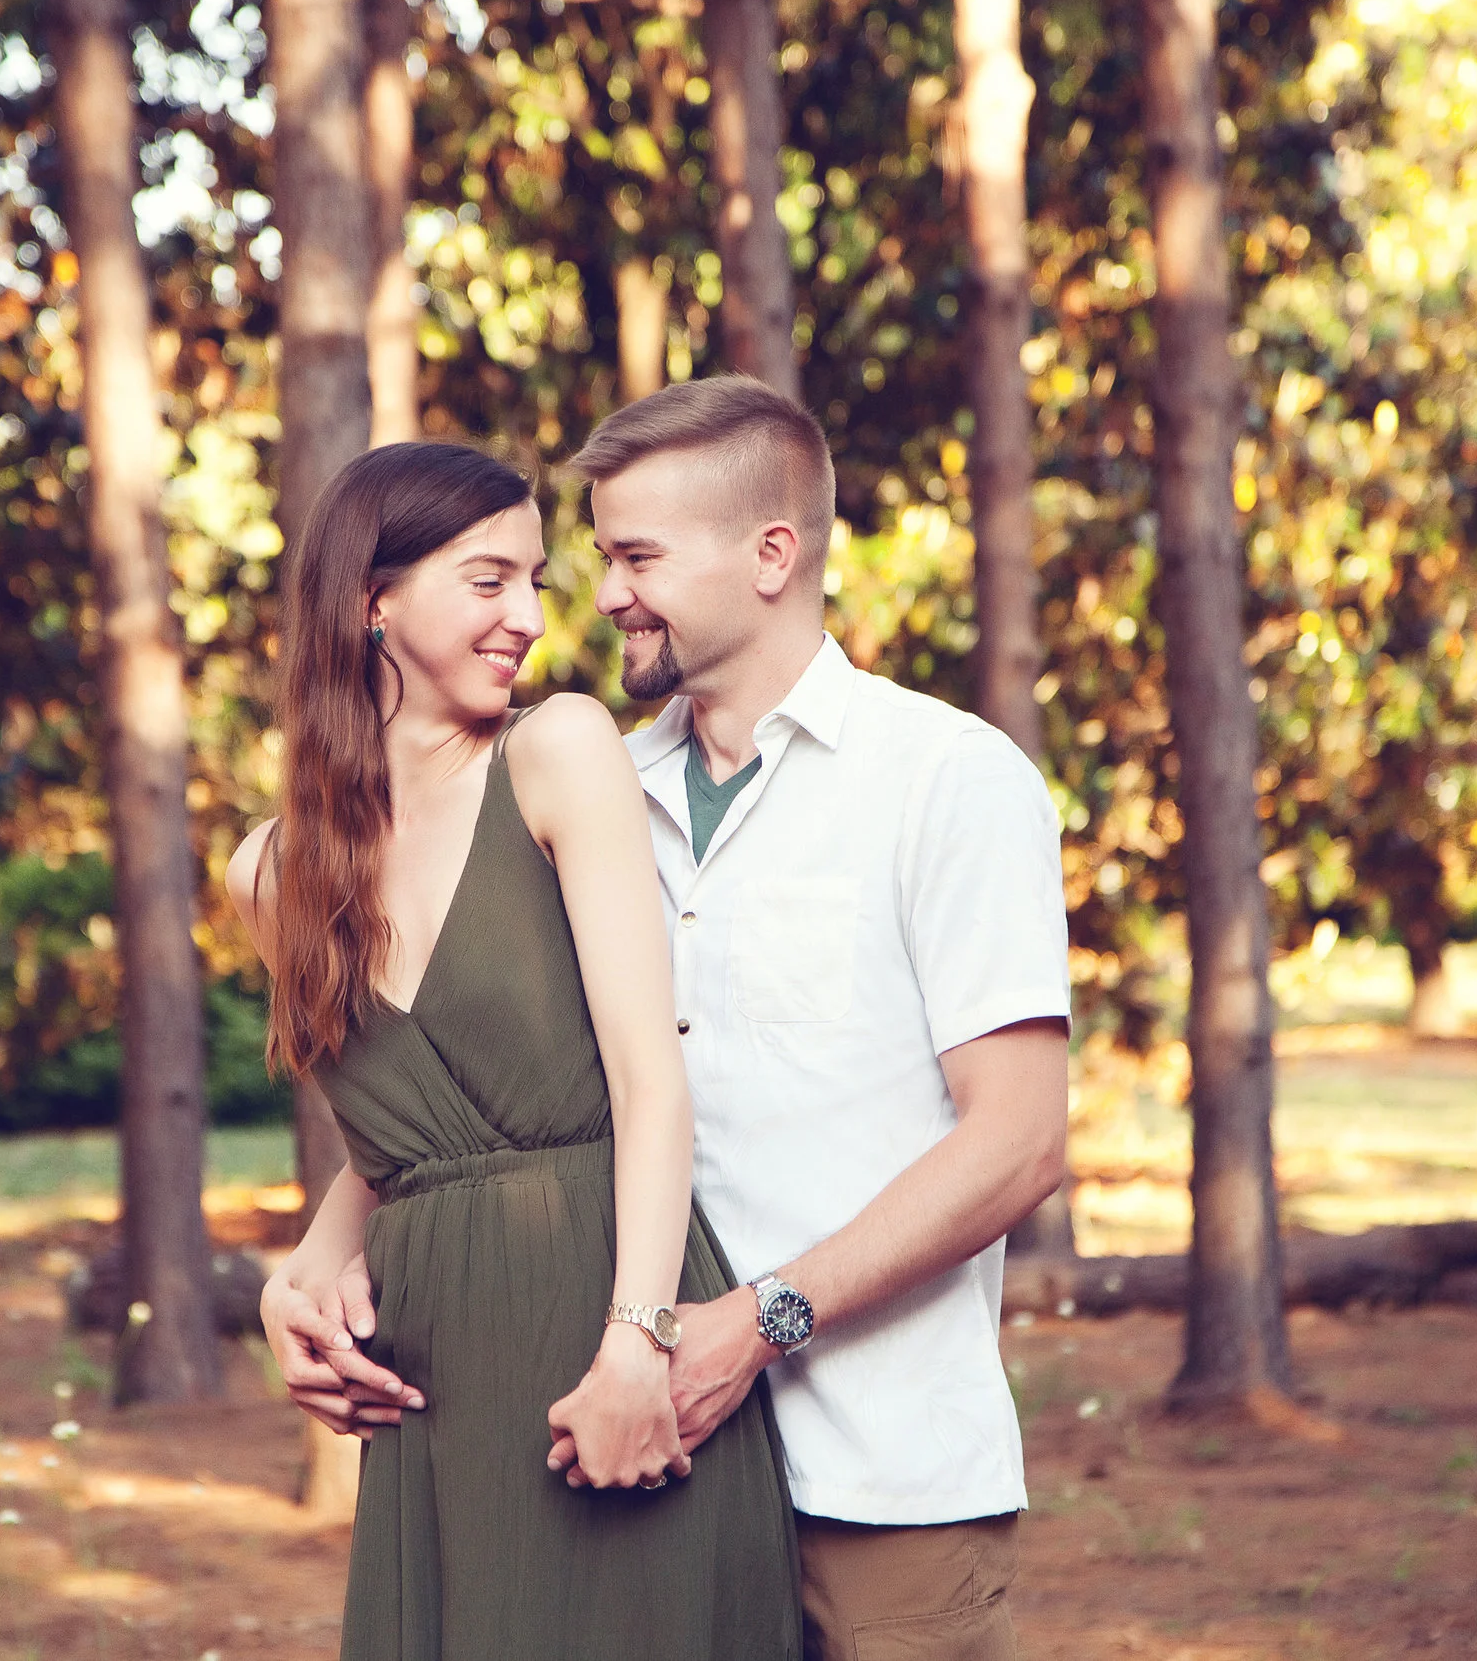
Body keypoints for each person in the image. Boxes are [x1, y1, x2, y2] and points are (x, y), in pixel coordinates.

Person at [265, 378, 1072, 1661]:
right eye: (594, 557)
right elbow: (504, 1084)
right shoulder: (576, 780)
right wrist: (320, 1249)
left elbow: (1019, 1144)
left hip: (874, 1465)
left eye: (633, 555)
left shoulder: (945, 780)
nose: (594, 599)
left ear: (771, 553)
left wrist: (754, 1324)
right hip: (616, 1442)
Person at [228, 439, 801, 1661]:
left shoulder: (556, 751)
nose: (531, 617)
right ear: (372, 598)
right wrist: (301, 1274)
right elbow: (405, 1143)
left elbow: (649, 1083)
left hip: (603, 1330)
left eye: (536, 581)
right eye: (490, 579)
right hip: (433, 1386)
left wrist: (638, 1344)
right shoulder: (267, 873)